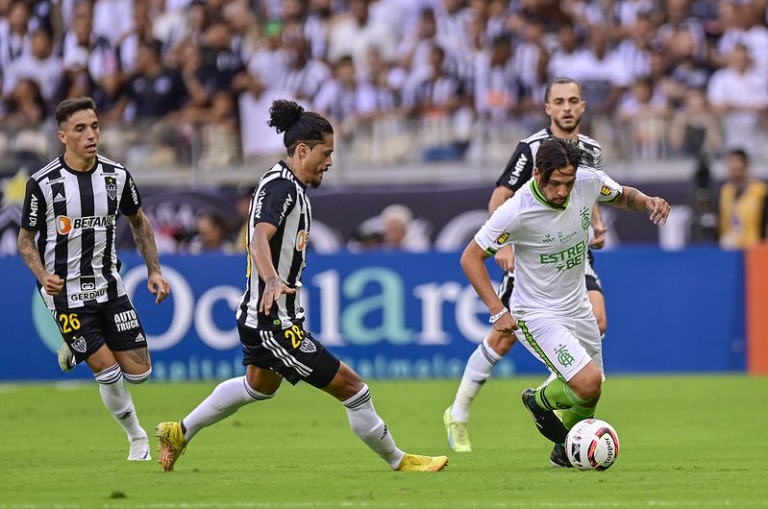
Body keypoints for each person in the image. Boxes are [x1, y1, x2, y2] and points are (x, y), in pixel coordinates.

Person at [155, 99, 448, 473]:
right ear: (303, 149)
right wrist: (272, 278)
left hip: (266, 316)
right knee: (353, 388)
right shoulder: (281, 188)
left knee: (258, 387)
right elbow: (259, 237)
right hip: (272, 321)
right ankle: (399, 460)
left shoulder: (288, 184)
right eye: (326, 153)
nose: (330, 161)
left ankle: (178, 432)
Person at [461, 137, 669, 467]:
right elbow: (470, 258)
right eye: (555, 183)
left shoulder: (586, 181)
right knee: (584, 382)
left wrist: (648, 202)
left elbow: (623, 196)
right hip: (537, 313)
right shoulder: (516, 210)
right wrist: (496, 310)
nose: (562, 191)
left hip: (577, 307)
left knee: (593, 389)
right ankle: (539, 402)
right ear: (537, 173)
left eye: (568, 182)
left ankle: (563, 454)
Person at [444, 77, 608, 453]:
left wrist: (596, 224)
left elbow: (587, 188)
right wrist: (504, 245)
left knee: (598, 321)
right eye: (559, 102)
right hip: (531, 254)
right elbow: (500, 196)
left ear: (583, 107)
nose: (566, 108)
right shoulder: (530, 149)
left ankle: (566, 415)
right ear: (547, 108)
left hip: (573, 253)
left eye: (573, 101)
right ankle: (459, 411)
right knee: (504, 335)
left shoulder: (590, 150)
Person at [17, 96, 171, 461]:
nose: (91, 135)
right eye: (80, 128)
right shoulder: (43, 184)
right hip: (65, 295)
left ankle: (74, 347)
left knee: (140, 373)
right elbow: (25, 238)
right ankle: (137, 439)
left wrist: (154, 270)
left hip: (109, 286)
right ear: (62, 136)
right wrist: (42, 274)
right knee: (108, 370)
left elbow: (139, 222)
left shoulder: (117, 177)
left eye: (95, 126)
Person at [718, 148, 768, 249]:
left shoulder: (760, 191)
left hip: (754, 249)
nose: (735, 166)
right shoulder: (725, 192)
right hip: (730, 249)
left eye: (738, 161)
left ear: (746, 165)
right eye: (731, 162)